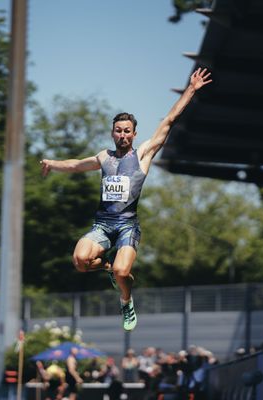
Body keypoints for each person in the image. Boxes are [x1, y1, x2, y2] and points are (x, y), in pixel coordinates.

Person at [40, 68, 212, 331]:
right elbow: (76, 165)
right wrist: (52, 163)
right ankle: (107, 266)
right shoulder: (104, 157)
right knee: (80, 262)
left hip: (127, 227)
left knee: (124, 273)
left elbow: (168, 121)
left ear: (134, 134)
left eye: (127, 131)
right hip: (102, 225)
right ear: (113, 133)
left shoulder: (143, 154)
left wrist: (191, 90)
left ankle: (126, 300)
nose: (122, 134)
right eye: (118, 130)